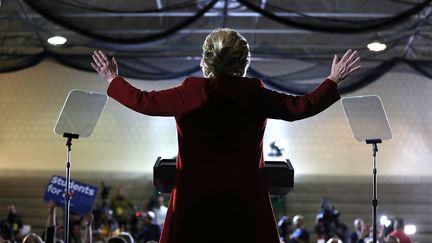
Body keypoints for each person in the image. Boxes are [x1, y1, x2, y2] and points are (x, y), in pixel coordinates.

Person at [91, 28, 361, 243]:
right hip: (245, 201)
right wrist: (333, 80)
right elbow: (302, 107)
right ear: (243, 61)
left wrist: (113, 79)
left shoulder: (188, 92)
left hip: (194, 201)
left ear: (206, 59)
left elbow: (142, 101)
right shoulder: (255, 94)